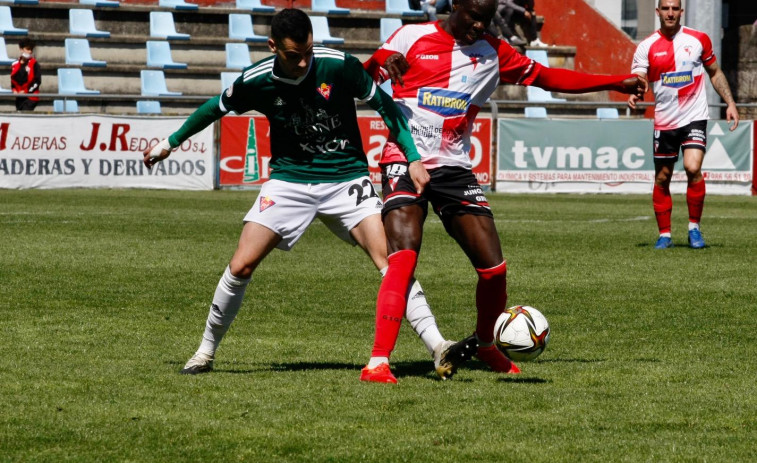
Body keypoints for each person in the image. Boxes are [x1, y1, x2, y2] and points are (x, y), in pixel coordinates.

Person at [143, 9, 476, 381]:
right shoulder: (257, 80)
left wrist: (413, 157)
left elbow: (387, 108)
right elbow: (213, 109)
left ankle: (438, 346)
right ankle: (204, 352)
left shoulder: (338, 66)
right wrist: (170, 143)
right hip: (289, 182)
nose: (303, 61)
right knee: (241, 265)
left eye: (308, 51)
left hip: (345, 178)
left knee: (390, 261)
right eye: (292, 55)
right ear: (272, 47)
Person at [361, 0, 647, 383]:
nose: (479, 25)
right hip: (404, 160)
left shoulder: (495, 53)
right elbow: (361, 75)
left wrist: (613, 82)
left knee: (494, 270)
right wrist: (381, 64)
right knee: (403, 258)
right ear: (455, 5)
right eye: (472, 16)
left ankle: (485, 343)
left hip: (454, 168)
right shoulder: (411, 36)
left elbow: (550, 78)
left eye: (485, 18)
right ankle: (378, 362)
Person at [628, 0, 739, 250]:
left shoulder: (698, 39)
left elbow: (715, 72)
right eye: (665, 8)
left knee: (692, 167)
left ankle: (694, 229)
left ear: (681, 11)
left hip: (694, 116)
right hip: (665, 120)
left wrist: (730, 102)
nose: (670, 13)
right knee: (662, 177)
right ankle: (665, 234)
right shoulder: (646, 47)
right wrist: (636, 91)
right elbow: (640, 77)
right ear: (658, 12)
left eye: (674, 8)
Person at [11, 38, 41, 111]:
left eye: (31, 50)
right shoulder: (14, 64)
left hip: (30, 97)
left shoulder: (34, 64)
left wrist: (26, 91)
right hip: (19, 97)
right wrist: (14, 90)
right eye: (28, 49)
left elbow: (37, 81)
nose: (30, 51)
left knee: (25, 114)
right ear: (21, 49)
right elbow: (13, 81)